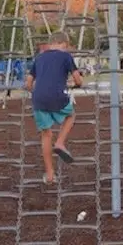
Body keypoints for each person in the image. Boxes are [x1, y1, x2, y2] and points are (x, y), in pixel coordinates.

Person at [25, 32, 83, 186]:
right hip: (57, 95)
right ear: (64, 43)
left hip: (38, 98)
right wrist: (77, 84)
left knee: (45, 134)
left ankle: (50, 174)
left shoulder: (39, 58)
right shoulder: (66, 56)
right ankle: (60, 143)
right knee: (70, 115)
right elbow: (78, 79)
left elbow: (28, 83)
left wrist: (36, 92)